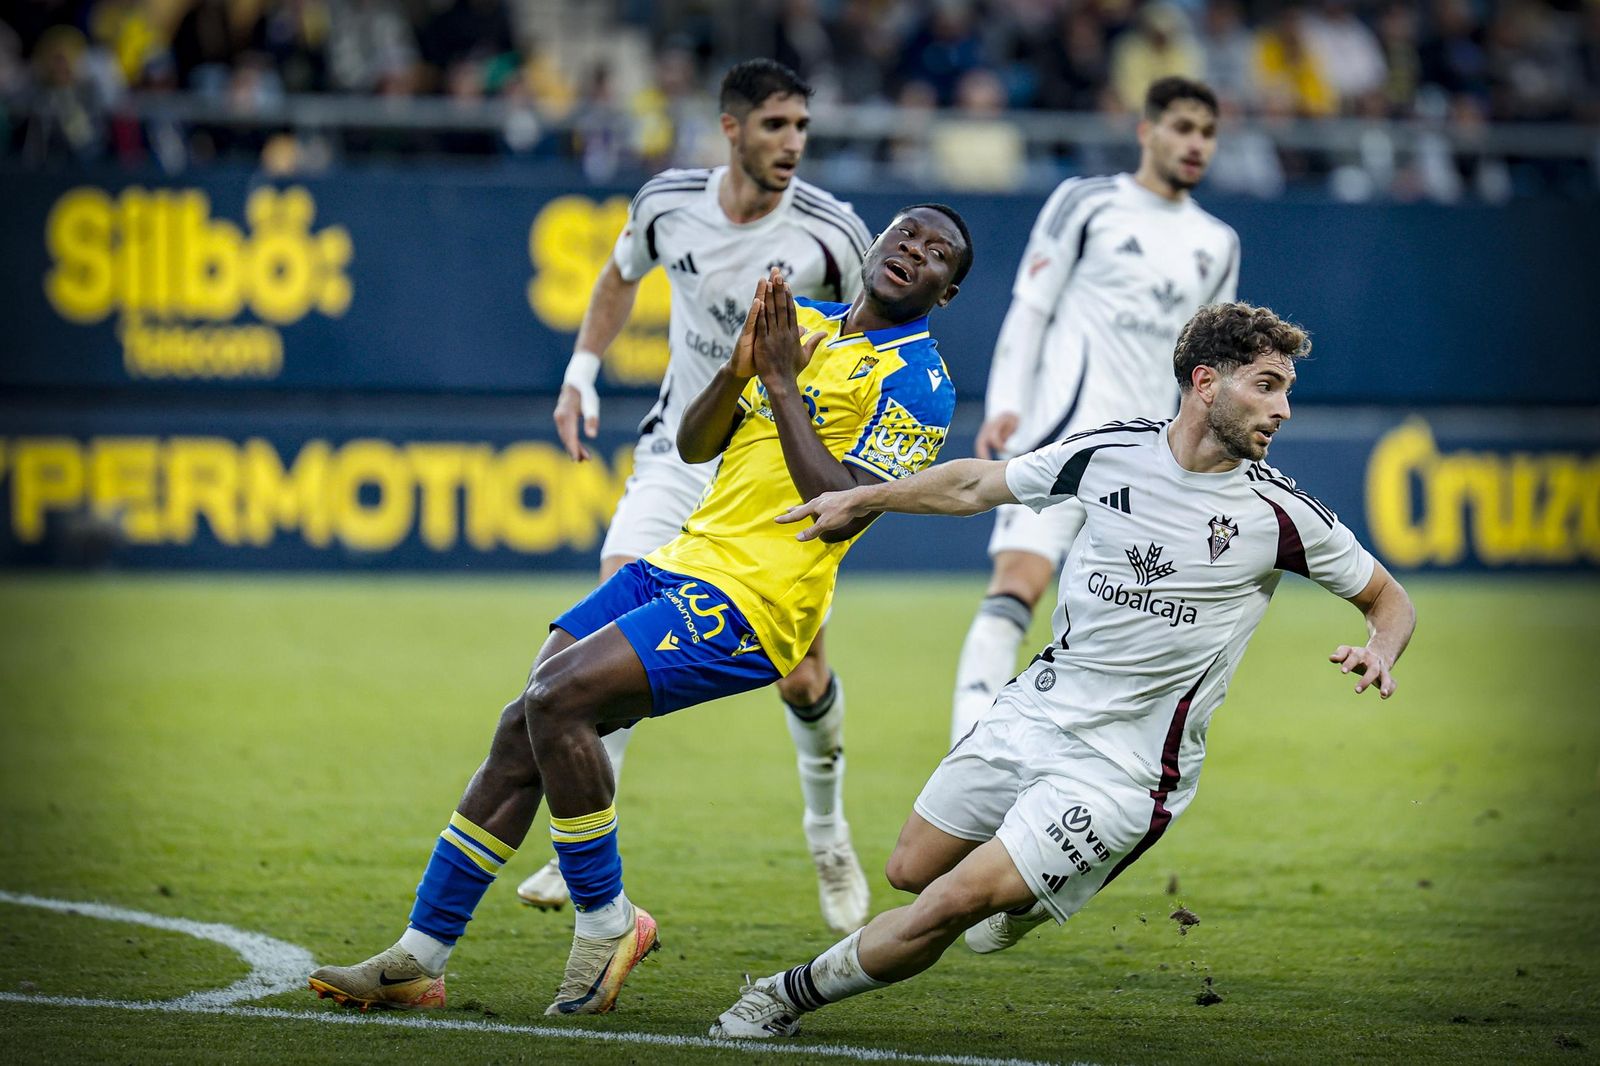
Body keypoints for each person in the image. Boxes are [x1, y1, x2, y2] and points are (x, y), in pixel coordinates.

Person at [308, 204, 973, 1016]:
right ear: (878, 242)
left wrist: (779, 383)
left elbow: (839, 509)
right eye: (908, 233)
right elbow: (695, 445)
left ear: (946, 293)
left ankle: (607, 923)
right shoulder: (798, 321)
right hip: (680, 563)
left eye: (938, 254)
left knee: (559, 700)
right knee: (524, 722)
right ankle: (420, 957)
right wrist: (736, 372)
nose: (915, 251)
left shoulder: (921, 384)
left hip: (756, 602)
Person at [709, 301, 1415, 1039]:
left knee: (951, 904)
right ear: (1207, 383)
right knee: (911, 872)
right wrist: (865, 495)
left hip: (1126, 768)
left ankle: (782, 997)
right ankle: (1026, 895)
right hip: (1037, 709)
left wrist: (1380, 649)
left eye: (1287, 390)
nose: (1284, 410)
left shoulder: (1281, 514)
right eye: (1267, 386)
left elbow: (1389, 599)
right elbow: (976, 486)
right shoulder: (1111, 453)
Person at [525, 58, 880, 935]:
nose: (792, 143)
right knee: (597, 641)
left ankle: (828, 832)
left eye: (802, 127)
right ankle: (584, 849)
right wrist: (580, 373)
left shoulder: (834, 233)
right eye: (775, 126)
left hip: (767, 476)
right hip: (678, 453)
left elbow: (879, 335)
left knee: (803, 677)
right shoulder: (667, 203)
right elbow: (619, 274)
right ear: (730, 128)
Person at [952, 75, 1241, 749]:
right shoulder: (1085, 203)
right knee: (1016, 587)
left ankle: (1078, 769)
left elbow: (1214, 365)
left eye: (1207, 133)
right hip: (1060, 438)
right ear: (1146, 131)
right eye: (1183, 128)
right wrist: (1006, 405)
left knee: (1124, 627)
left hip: (1150, 461)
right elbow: (1031, 307)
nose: (1196, 144)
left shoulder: (1218, 241)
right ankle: (964, 754)